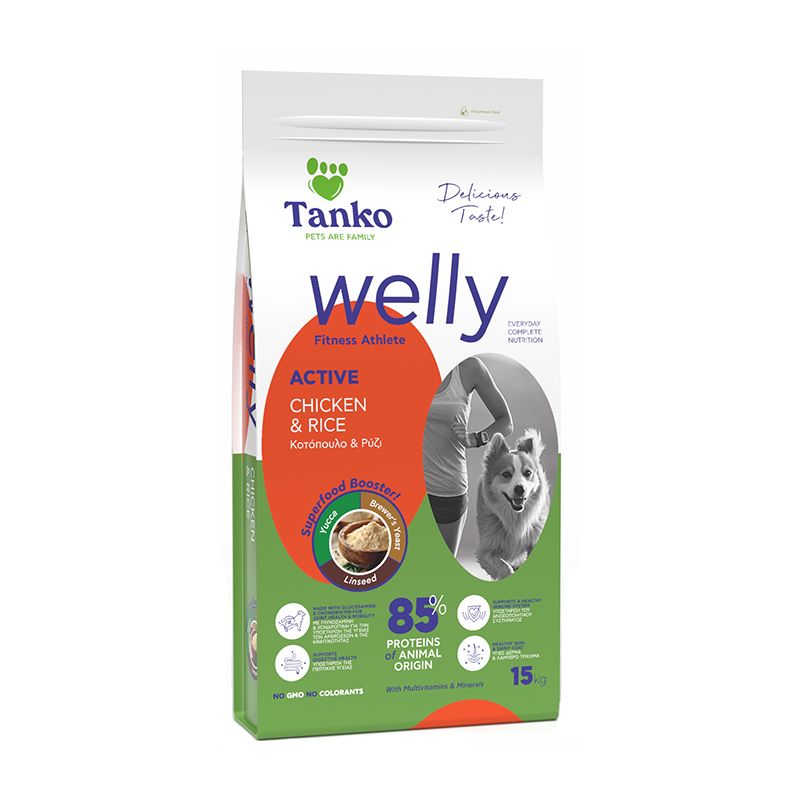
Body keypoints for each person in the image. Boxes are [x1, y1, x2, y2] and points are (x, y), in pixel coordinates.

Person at [423, 357, 513, 555]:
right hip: (402, 488)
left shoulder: (469, 368)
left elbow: (506, 422)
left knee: (440, 568)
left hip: (446, 490)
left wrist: (476, 438)